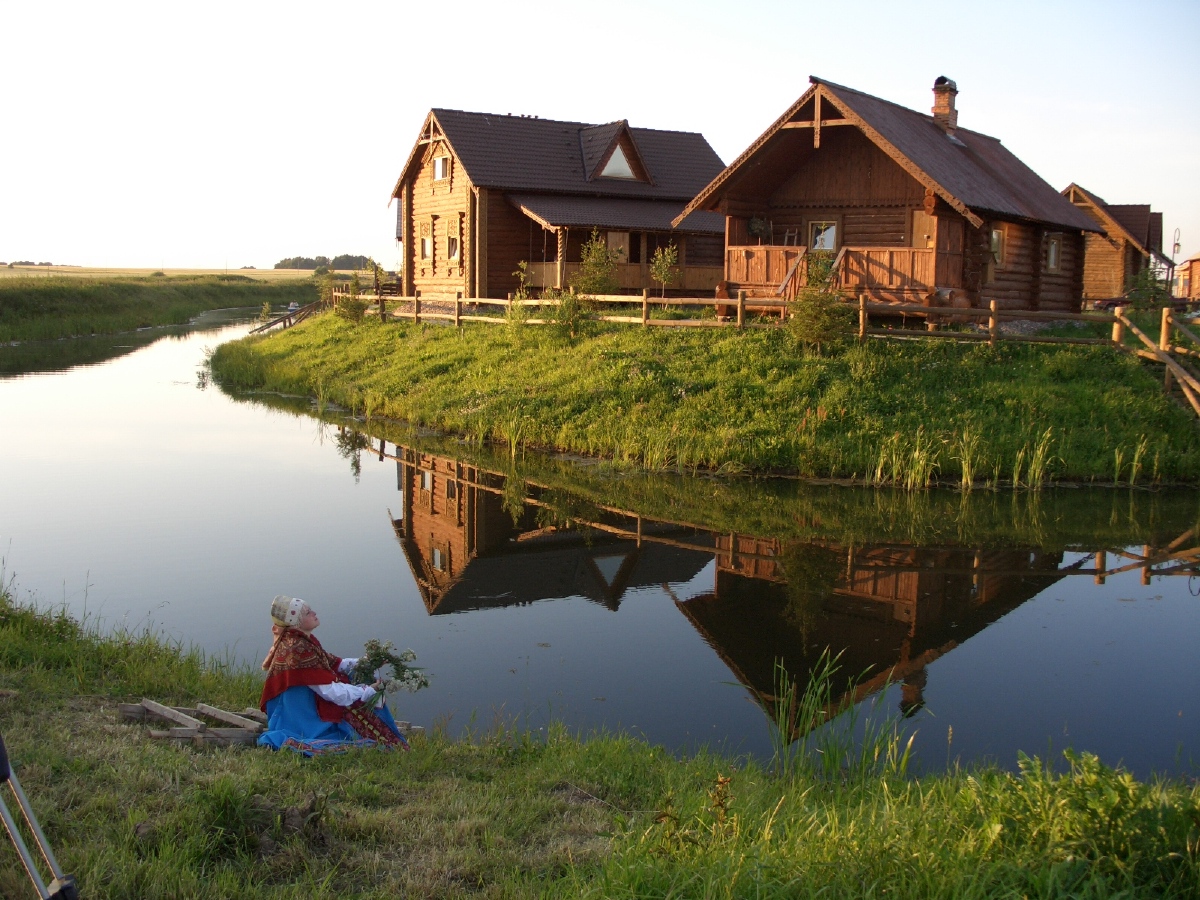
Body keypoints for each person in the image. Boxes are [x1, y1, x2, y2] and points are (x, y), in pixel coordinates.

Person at [258, 595, 408, 755]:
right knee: (358, 697)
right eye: (308, 613)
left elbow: (335, 663)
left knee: (358, 675)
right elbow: (330, 691)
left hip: (299, 708)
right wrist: (365, 691)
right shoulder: (297, 648)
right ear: (296, 623)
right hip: (298, 716)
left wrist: (367, 662)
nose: (314, 613)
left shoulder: (301, 639)